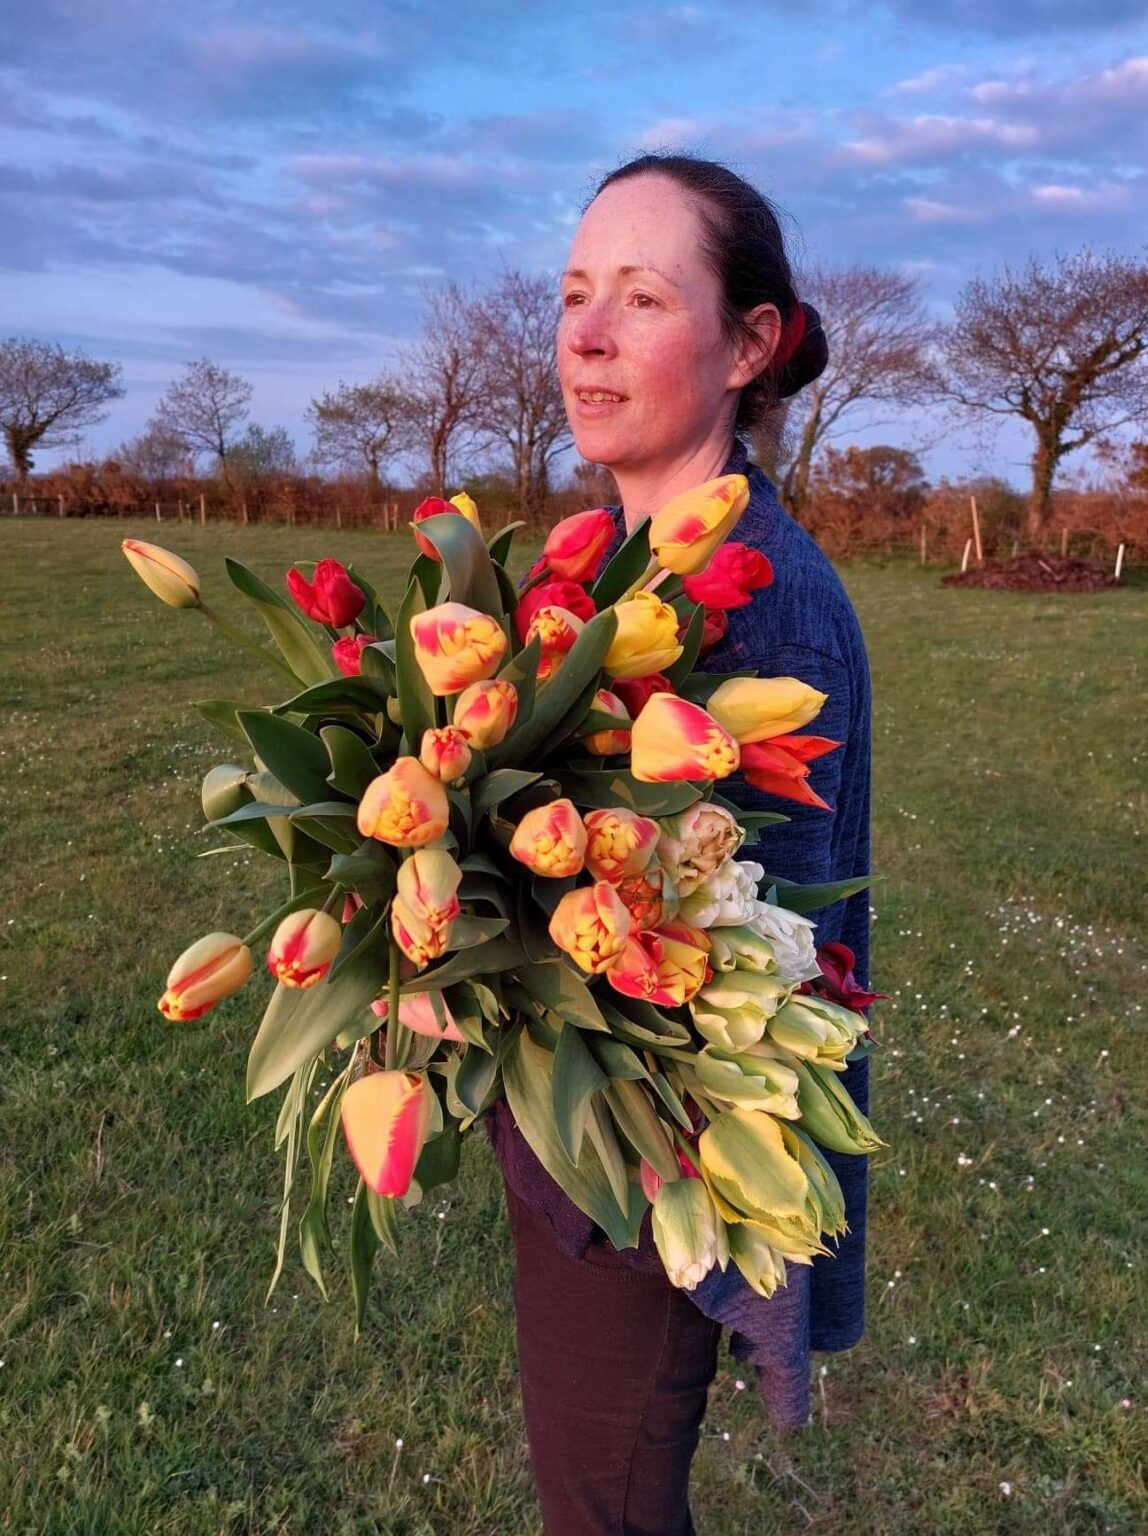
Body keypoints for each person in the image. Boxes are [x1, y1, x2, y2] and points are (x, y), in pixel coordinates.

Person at [485, 152, 874, 1536]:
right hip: (574, 1144)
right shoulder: (610, 561)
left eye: (642, 299)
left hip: (650, 1182)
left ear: (749, 345)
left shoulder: (765, 609)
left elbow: (742, 976)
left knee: (606, 1509)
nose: (585, 337)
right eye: (574, 293)